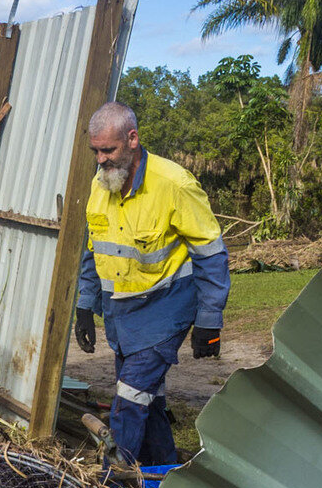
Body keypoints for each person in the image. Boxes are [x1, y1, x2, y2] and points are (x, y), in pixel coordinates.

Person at [73, 101, 230, 467]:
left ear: (132, 139)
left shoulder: (174, 184)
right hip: (122, 317)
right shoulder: (101, 185)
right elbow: (93, 249)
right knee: (149, 400)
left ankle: (111, 486)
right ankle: (164, 472)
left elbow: (211, 254)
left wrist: (209, 318)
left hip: (165, 311)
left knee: (128, 399)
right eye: (95, 151)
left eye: (107, 150)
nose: (100, 160)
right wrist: (85, 305)